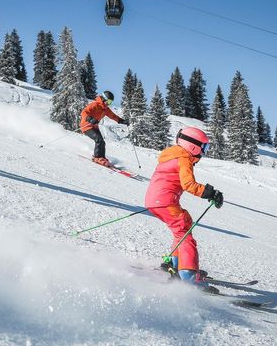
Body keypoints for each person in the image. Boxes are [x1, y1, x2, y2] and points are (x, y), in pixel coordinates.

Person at [144, 126, 224, 291]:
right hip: (165, 202)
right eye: (204, 147)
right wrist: (210, 192)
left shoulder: (171, 156)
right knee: (185, 233)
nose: (204, 152)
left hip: (155, 201)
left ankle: (174, 264)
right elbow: (188, 184)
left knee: (183, 225)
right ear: (193, 146)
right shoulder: (184, 158)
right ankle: (188, 276)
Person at [79, 90, 129, 166]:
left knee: (102, 142)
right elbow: (84, 112)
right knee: (98, 140)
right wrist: (90, 119)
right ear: (104, 98)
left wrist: (122, 121)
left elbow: (113, 116)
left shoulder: (105, 109)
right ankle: (97, 157)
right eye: (108, 101)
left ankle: (102, 157)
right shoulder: (95, 104)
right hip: (86, 126)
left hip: (94, 126)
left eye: (110, 102)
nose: (109, 103)